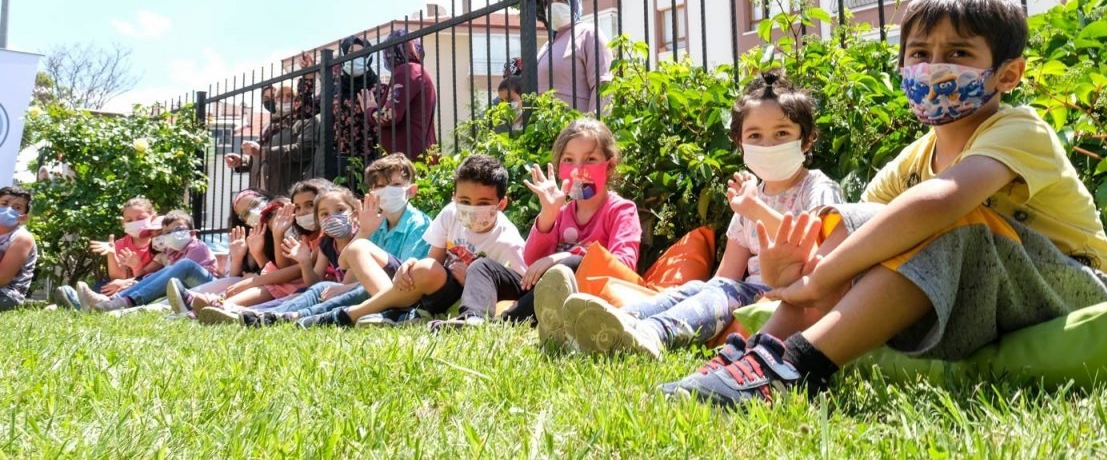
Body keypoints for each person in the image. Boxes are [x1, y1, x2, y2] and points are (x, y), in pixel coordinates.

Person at [661, 0, 1107, 406]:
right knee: (849, 222)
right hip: (996, 292)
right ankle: (756, 356)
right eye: (919, 54)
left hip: (1082, 289)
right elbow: (855, 229)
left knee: (948, 218)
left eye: (959, 53)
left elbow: (940, 203)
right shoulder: (916, 158)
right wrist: (802, 269)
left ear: (1007, 75)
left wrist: (821, 277)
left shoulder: (1018, 128)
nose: (934, 68)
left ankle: (796, 369)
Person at [561, 73, 845, 356]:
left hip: (792, 295)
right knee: (702, 287)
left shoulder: (816, 189)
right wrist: (703, 293)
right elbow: (726, 276)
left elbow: (823, 251)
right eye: (755, 135)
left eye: (781, 133)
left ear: (806, 140)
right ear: (740, 144)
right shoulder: (752, 198)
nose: (768, 145)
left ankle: (655, 333)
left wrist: (756, 209)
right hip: (749, 292)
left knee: (725, 292)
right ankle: (614, 320)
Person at [291, 154, 526, 328]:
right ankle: (392, 311)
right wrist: (410, 264)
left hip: (462, 297)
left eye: (483, 204)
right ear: (454, 197)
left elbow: (517, 292)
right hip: (429, 288)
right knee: (368, 251)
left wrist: (472, 280)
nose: (472, 209)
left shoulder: (508, 241)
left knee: (437, 270)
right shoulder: (449, 214)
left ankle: (347, 315)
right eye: (464, 200)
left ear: (501, 204)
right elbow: (434, 262)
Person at [465, 118, 641, 343]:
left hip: (585, 293)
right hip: (541, 291)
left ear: (610, 166)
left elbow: (623, 265)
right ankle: (472, 320)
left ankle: (505, 323)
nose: (579, 169)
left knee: (569, 266)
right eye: (569, 160)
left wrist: (564, 256)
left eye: (590, 159)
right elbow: (532, 261)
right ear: (559, 168)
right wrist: (548, 214)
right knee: (482, 267)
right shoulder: (562, 210)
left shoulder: (621, 210)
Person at [210, 155, 430, 325]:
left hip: (397, 293)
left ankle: (288, 316)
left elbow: (404, 277)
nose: (386, 192)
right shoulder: (376, 223)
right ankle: (262, 314)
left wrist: (345, 286)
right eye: (379, 187)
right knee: (325, 286)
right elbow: (348, 263)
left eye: (394, 185)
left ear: (411, 191)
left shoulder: (418, 224)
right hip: (368, 287)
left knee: (346, 290)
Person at [167, 180, 331, 314]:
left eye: (310, 205)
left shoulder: (314, 234)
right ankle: (203, 303)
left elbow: (292, 272)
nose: (303, 212)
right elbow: (282, 269)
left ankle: (214, 305)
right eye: (245, 214)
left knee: (269, 286)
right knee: (242, 282)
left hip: (298, 287)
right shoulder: (301, 235)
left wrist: (252, 279)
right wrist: (265, 244)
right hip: (280, 283)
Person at [78, 211, 216, 312]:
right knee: (168, 270)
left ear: (192, 233)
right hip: (191, 287)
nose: (169, 235)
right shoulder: (171, 252)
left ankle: (128, 301)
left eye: (178, 230)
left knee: (183, 266)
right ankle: (112, 300)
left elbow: (180, 273)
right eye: (166, 232)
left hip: (212, 287)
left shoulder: (197, 246)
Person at [54, 197, 163, 310]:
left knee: (121, 287)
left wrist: (127, 279)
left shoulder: (159, 242)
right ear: (123, 222)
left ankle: (83, 304)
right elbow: (117, 276)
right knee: (104, 286)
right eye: (129, 221)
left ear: (152, 218)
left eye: (140, 218)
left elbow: (154, 274)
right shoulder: (122, 244)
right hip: (121, 284)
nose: (135, 223)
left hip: (144, 285)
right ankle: (81, 302)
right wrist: (111, 254)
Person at [224, 83, 321, 195]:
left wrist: (264, 152)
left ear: (298, 100)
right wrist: (242, 161)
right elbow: (259, 156)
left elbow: (304, 150)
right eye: (280, 96)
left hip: (285, 194)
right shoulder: (268, 126)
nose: (284, 100)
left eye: (289, 96)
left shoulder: (307, 122)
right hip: (260, 193)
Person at [360, 29, 437, 162]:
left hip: (408, 160)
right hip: (421, 155)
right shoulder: (419, 71)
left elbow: (390, 114)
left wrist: (370, 110)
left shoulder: (406, 71)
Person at [535, 0, 612, 113]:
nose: (553, 6)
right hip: (547, 129)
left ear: (574, 1)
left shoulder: (588, 33)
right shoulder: (547, 46)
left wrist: (592, 128)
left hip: (578, 129)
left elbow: (604, 86)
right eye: (549, 2)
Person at [333, 36, 388, 190]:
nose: (355, 58)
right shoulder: (334, 91)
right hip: (342, 162)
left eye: (361, 54)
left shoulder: (381, 89)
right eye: (350, 53)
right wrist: (309, 78)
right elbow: (307, 111)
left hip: (375, 160)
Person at [0, 186, 37, 312]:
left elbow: (2, 278)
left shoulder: (22, 238)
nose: (8, 210)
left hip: (7, 295)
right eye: (4, 204)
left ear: (24, 216)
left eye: (17, 207)